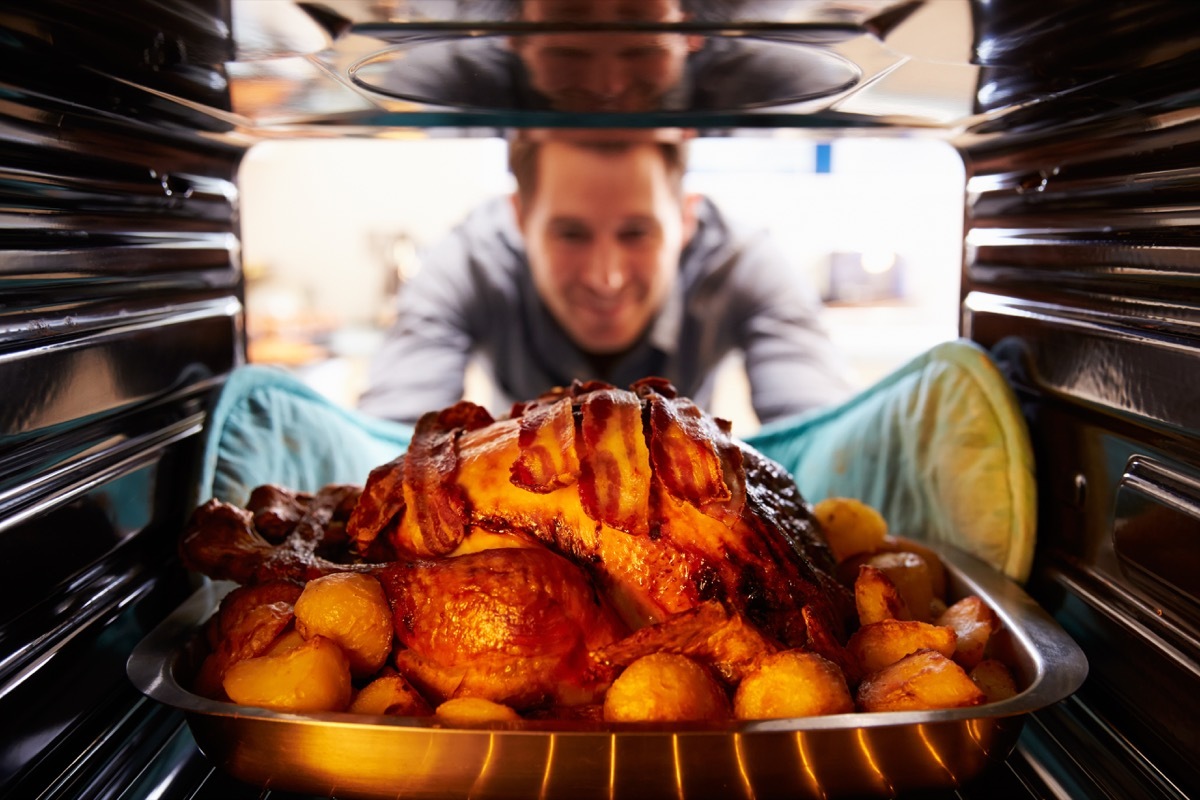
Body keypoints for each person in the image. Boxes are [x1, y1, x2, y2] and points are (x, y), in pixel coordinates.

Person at [357, 128, 855, 425]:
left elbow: (820, 430)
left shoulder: (742, 263)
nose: (606, 277)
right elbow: (394, 435)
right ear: (520, 220)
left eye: (637, 233)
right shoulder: (468, 263)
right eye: (570, 234)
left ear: (685, 219)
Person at [360, 0, 858, 113]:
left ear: (691, 33)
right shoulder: (441, 82)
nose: (606, 85)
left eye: (642, 49)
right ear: (512, 36)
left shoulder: (779, 80)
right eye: (568, 51)